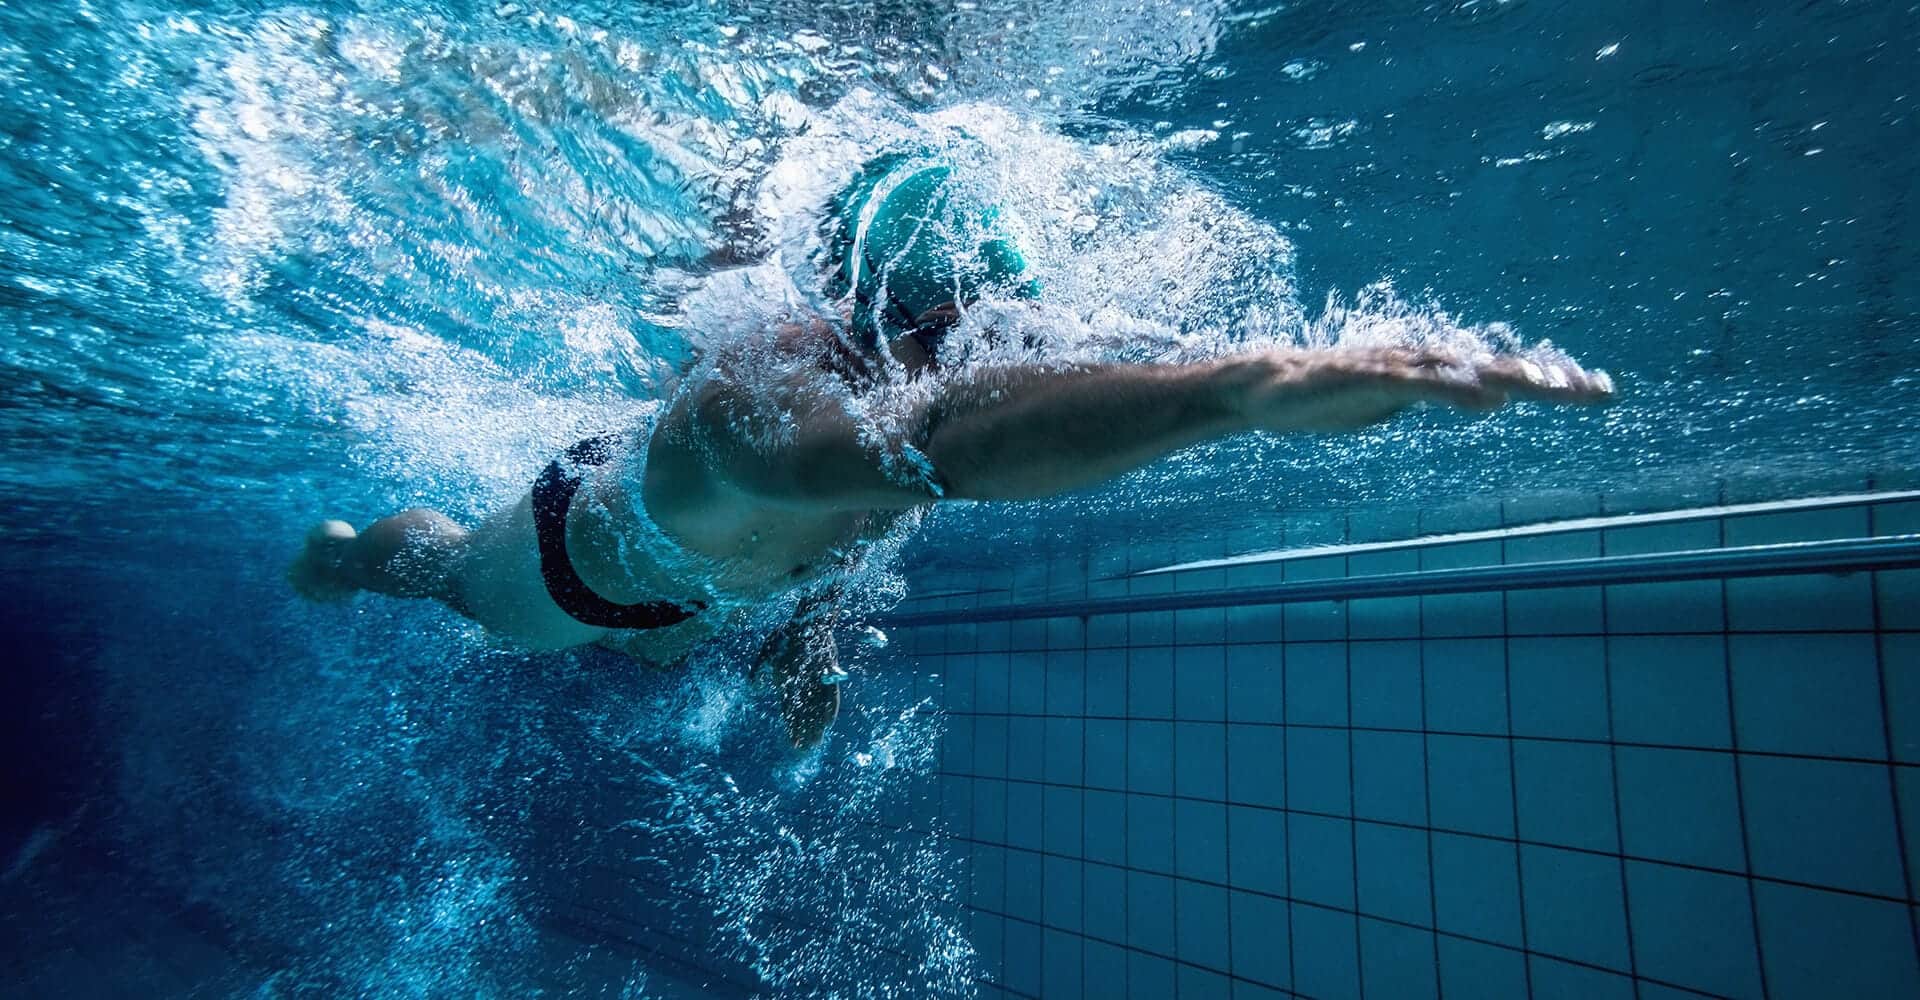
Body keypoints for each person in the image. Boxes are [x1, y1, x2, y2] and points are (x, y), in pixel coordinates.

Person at [288, 154, 1615, 747]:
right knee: (447, 576)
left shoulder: (881, 399)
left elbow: (871, 509)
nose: (988, 352)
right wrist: (1233, 392)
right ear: (892, 311)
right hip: (559, 573)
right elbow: (928, 451)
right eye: (961, 326)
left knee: (662, 636)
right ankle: (355, 555)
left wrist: (805, 650)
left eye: (999, 326)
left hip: (690, 591)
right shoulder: (753, 394)